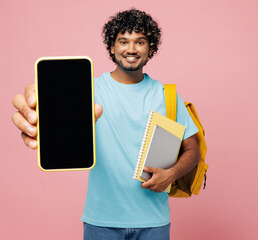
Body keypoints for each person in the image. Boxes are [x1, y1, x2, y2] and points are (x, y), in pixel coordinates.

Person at [12, 8, 200, 240]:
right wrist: (37, 111)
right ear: (112, 47)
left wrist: (171, 174)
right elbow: (54, 114)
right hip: (101, 222)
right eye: (123, 41)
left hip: (154, 222)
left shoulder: (167, 96)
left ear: (150, 49)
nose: (131, 49)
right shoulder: (87, 90)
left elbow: (192, 149)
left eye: (140, 42)